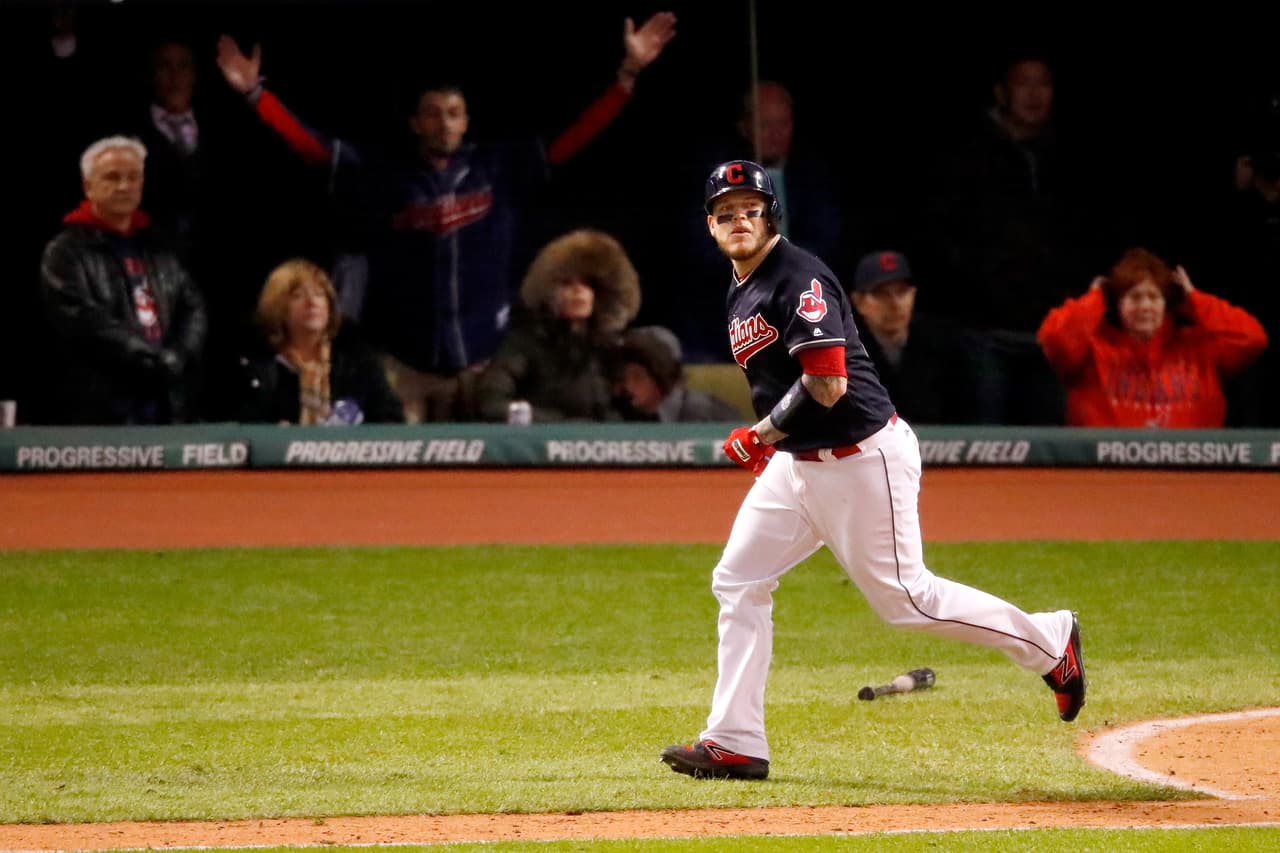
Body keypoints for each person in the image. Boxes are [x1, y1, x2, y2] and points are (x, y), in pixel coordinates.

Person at [659, 161, 1086, 781]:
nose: (739, 220)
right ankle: (736, 741)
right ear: (710, 226)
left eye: (750, 208)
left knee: (908, 601)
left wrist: (762, 434)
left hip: (860, 459)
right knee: (738, 580)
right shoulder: (740, 283)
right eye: (726, 212)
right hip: (798, 464)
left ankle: (1049, 641)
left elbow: (828, 383)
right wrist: (775, 442)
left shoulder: (797, 275)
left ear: (770, 214)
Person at [214, 12, 677, 422]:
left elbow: (572, 139)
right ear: (415, 123)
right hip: (406, 366)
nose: (445, 123)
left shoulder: (496, 168)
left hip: (483, 365)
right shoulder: (386, 176)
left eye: (454, 114)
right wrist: (257, 96)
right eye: (433, 115)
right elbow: (315, 150)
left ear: (467, 120)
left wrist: (626, 77)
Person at [921, 52, 1102, 425]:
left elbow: (1086, 236)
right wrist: (981, 287)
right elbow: (941, 237)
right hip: (984, 334)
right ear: (1001, 92)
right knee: (986, 452)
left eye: (1044, 84)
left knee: (1053, 452)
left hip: (1052, 334)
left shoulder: (1071, 158)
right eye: (1024, 83)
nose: (1035, 94)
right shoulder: (966, 157)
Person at [38, 135, 207, 425]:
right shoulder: (65, 251)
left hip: (167, 401)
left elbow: (193, 306)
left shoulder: (161, 245)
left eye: (133, 177)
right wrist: (149, 359)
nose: (124, 186)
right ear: (88, 186)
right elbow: (82, 319)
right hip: (101, 404)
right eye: (112, 177)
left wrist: (180, 355)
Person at [1036, 248, 1268, 428]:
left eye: (1153, 297)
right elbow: (1054, 339)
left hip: (1193, 477)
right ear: (1116, 305)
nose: (1145, 306)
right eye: (1134, 297)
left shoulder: (1199, 346)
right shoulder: (1092, 349)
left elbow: (1252, 338)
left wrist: (1195, 300)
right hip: (1107, 478)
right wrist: (1094, 299)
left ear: (1167, 305)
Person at [472, 229, 641, 423]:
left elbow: (632, 408)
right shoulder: (524, 344)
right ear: (548, 292)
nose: (578, 291)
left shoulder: (608, 349)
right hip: (537, 449)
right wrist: (560, 428)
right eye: (568, 283)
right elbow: (492, 403)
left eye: (587, 284)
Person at [237, 258, 403, 425]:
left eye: (319, 294)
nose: (312, 303)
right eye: (298, 296)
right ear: (277, 307)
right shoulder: (256, 367)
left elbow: (391, 420)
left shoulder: (356, 360)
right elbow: (241, 425)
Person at [847, 250, 976, 424]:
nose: (895, 303)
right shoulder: (846, 351)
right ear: (858, 301)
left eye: (902, 292)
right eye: (882, 294)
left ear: (913, 294)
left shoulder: (944, 345)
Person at [614, 325, 742, 422]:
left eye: (638, 377)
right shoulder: (624, 415)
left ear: (664, 376)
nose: (628, 386)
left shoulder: (704, 413)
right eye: (623, 377)